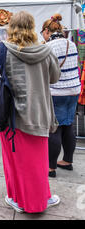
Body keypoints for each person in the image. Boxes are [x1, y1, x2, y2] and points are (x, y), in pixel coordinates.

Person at [0, 11, 61, 213]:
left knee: (15, 161)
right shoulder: (46, 51)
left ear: (11, 27)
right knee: (38, 161)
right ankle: (43, 197)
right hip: (39, 113)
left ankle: (17, 199)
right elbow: (54, 77)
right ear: (32, 27)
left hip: (11, 116)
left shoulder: (0, 50)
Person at [41, 14, 81, 178]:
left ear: (46, 31)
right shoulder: (71, 44)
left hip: (57, 91)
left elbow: (45, 71)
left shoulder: (48, 47)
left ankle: (51, 167)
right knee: (68, 125)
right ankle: (67, 160)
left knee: (54, 128)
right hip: (74, 90)